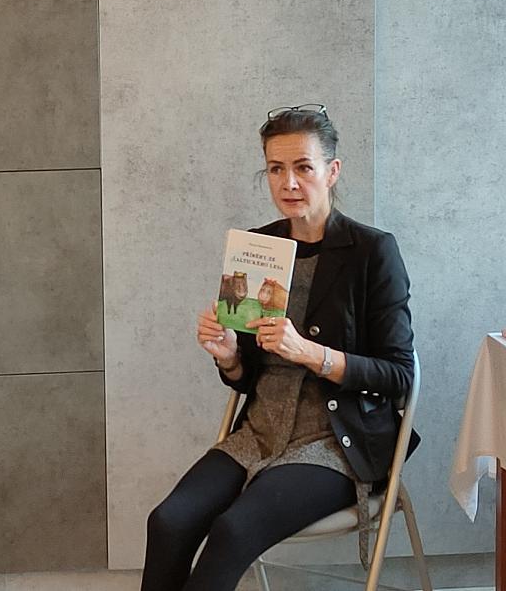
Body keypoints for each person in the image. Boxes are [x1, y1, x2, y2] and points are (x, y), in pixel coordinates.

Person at [140, 105, 417, 591]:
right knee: (168, 521)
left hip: (335, 441)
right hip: (260, 432)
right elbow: (249, 374)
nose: (289, 183)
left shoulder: (372, 251)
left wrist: (310, 353)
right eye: (275, 168)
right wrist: (230, 357)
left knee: (233, 530)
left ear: (332, 171)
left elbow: (398, 375)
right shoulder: (258, 247)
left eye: (303, 167)